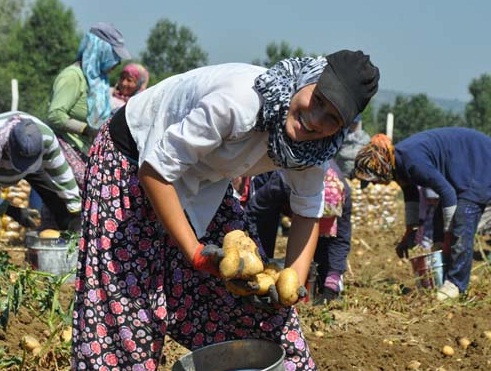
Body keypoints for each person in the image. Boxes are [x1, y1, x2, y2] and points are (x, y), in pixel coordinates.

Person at [72, 50, 379, 370]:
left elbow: (307, 214)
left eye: (333, 118)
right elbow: (155, 171)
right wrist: (195, 252)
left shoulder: (313, 148)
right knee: (128, 308)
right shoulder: (240, 101)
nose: (315, 120)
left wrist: (290, 290)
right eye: (318, 101)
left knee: (263, 313)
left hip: (204, 182)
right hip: (131, 161)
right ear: (305, 80)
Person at [352, 128, 491, 301]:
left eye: (374, 180)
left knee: (461, 220)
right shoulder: (398, 163)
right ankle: (444, 271)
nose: (375, 184)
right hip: (466, 170)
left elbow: (447, 192)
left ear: (381, 167)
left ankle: (456, 283)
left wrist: (448, 235)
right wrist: (410, 232)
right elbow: (411, 196)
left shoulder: (412, 161)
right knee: (439, 218)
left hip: (481, 164)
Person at [244, 160, 352, 305]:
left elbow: (340, 239)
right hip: (274, 188)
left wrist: (332, 280)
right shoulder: (281, 183)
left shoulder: (344, 195)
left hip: (306, 198)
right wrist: (259, 264)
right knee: (262, 240)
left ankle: (323, 288)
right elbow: (255, 214)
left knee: (325, 255)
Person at [47, 22, 131, 187]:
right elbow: (55, 115)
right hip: (65, 147)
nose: (117, 63)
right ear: (101, 51)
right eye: (114, 55)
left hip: (86, 149)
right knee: (87, 189)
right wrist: (86, 129)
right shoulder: (72, 77)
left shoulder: (98, 83)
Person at [0, 111, 81, 232]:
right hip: (4, 163)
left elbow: (63, 177)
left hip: (33, 160)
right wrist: (10, 210)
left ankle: (67, 232)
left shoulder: (47, 138)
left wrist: (76, 211)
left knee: (55, 196)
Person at [335, 114, 370, 178]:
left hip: (358, 174)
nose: (353, 125)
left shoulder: (364, 137)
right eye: (352, 123)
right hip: (342, 172)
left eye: (355, 123)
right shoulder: (342, 136)